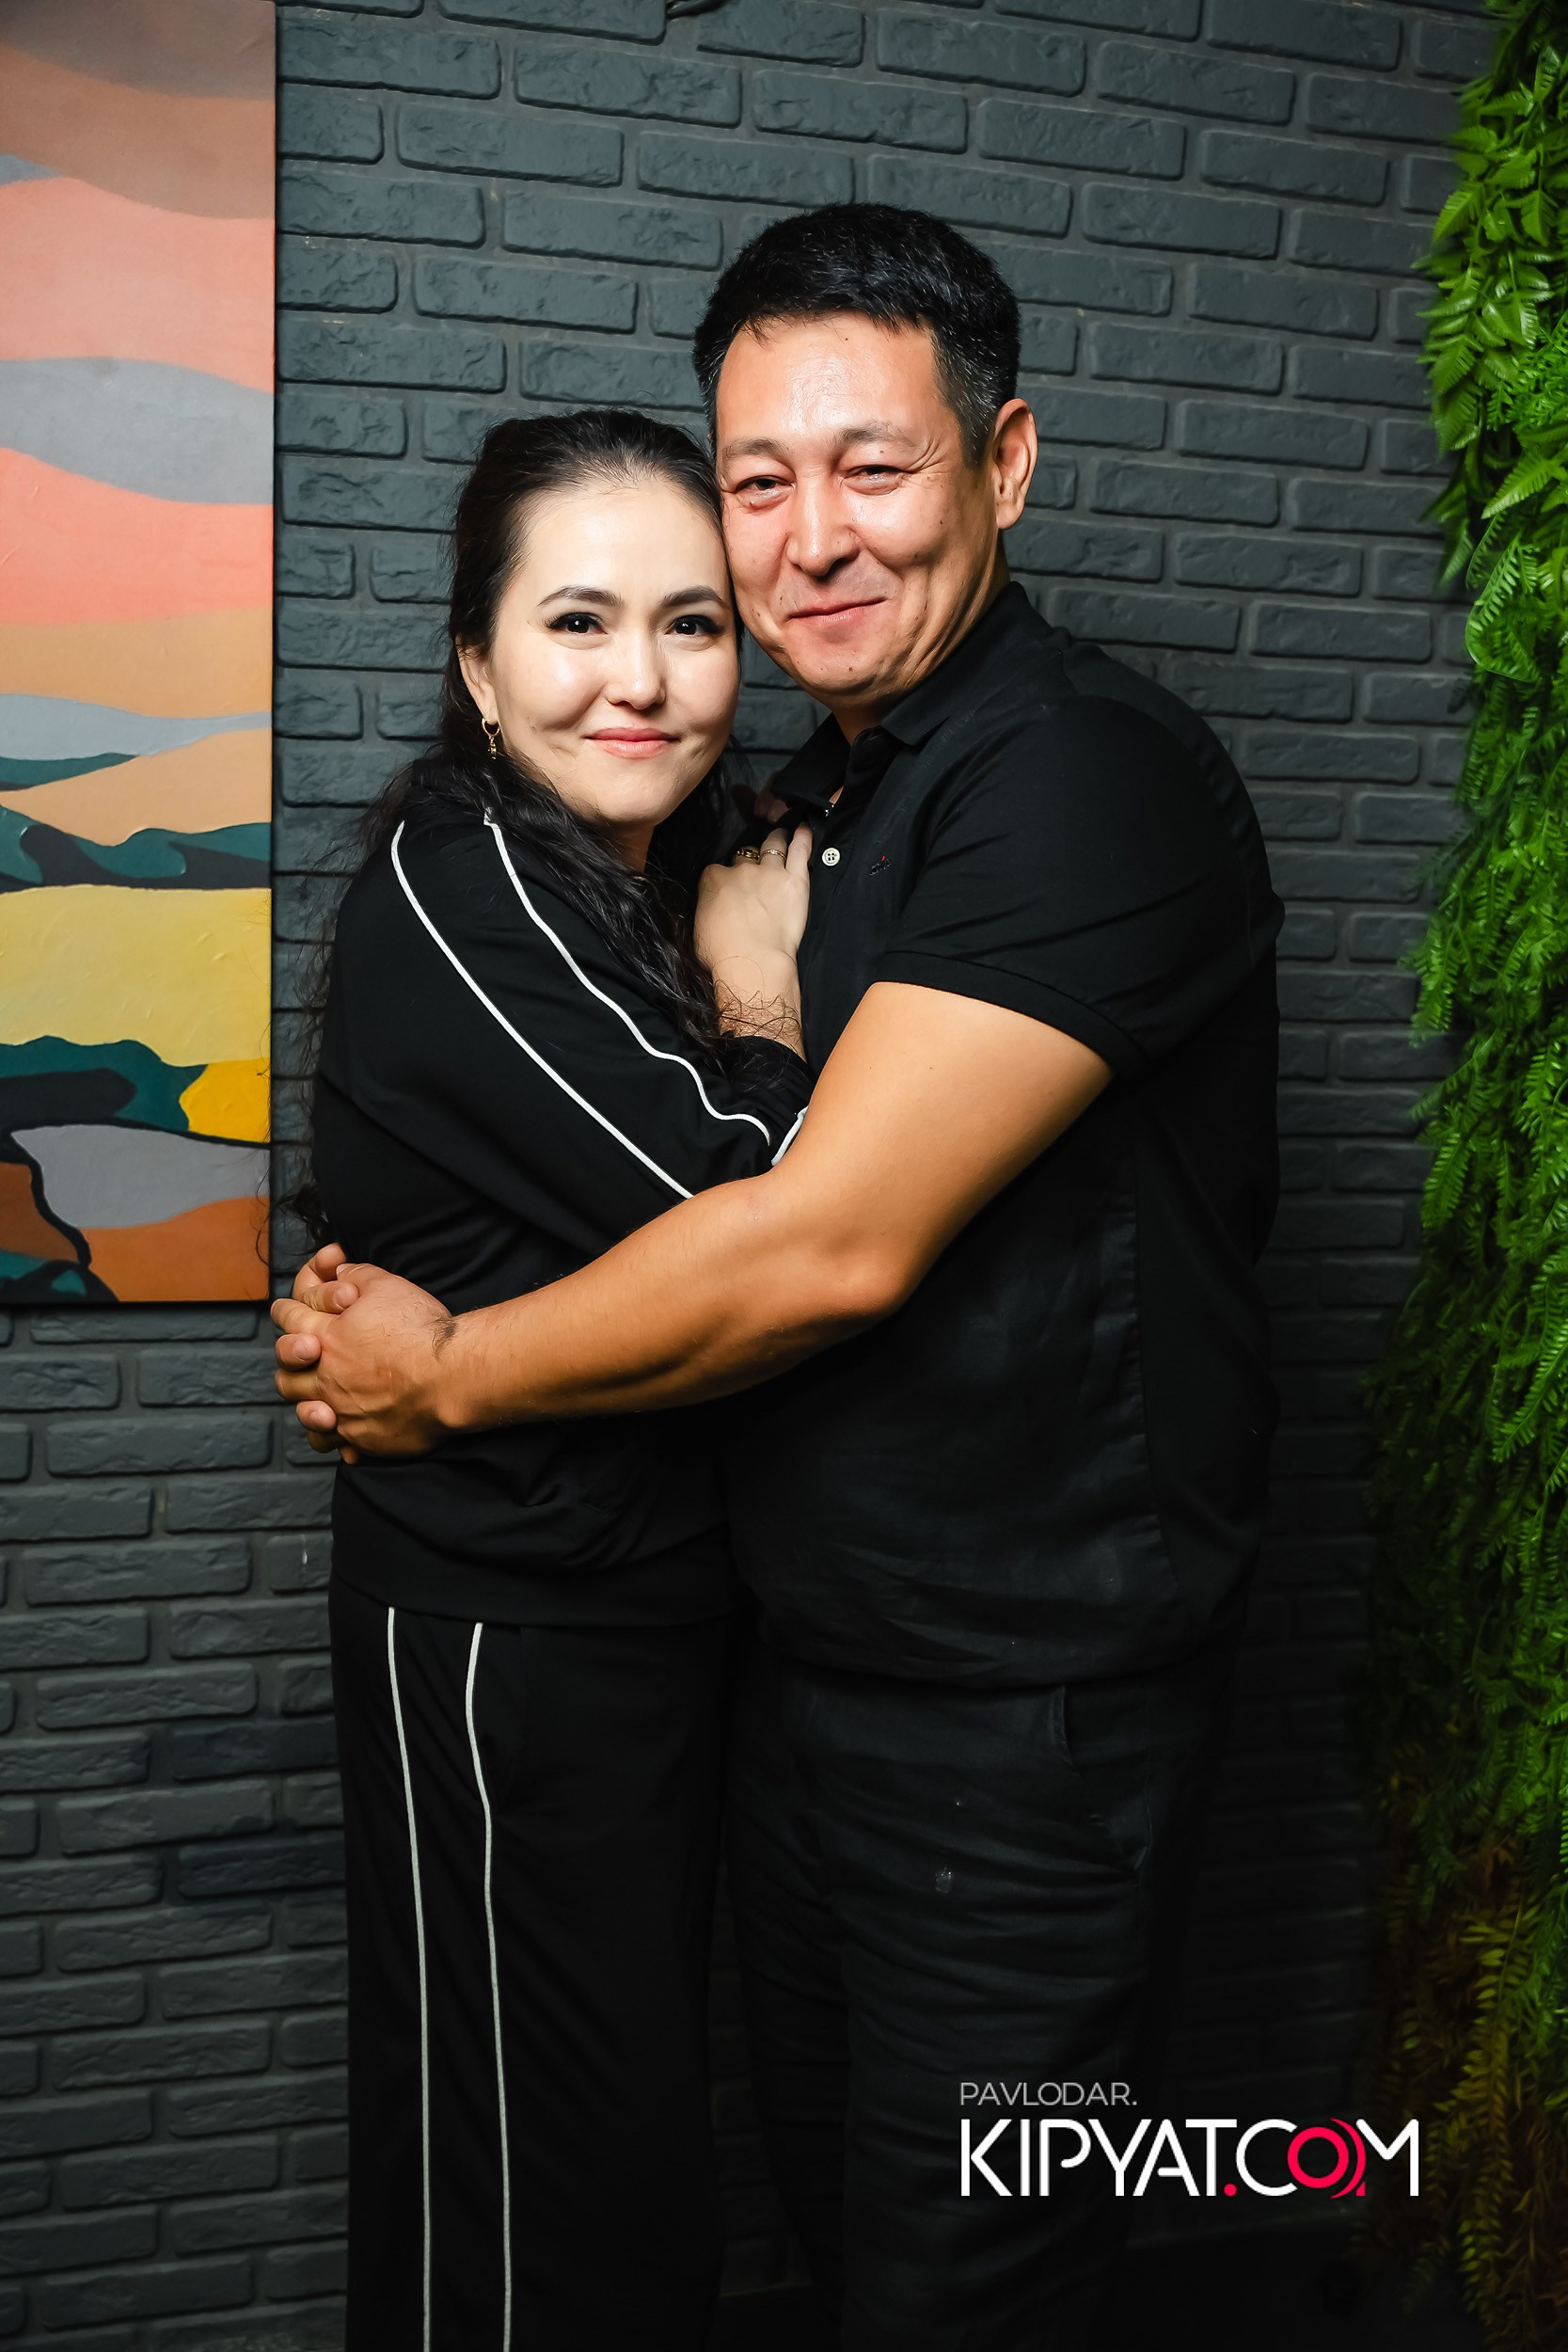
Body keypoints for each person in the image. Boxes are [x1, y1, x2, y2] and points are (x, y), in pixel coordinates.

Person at [276, 205, 1283, 2349]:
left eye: (874, 466)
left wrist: (448, 1371)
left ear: (1005, 462)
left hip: (1022, 1729)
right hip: (801, 1692)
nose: (811, 538)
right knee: (818, 2243)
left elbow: (820, 1237)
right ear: (480, 664)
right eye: (759, 482)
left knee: (973, 2282)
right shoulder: (792, 799)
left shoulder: (1080, 778)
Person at [297, 406, 816, 2352]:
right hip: (509, 1628)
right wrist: (761, 991)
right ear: (479, 663)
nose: (641, 680)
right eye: (579, 622)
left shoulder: (628, 880)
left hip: (640, 1605)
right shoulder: (472, 881)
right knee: (517, 2194)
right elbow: (740, 1206)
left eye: (691, 624)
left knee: (615, 2168)